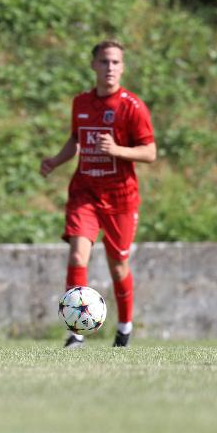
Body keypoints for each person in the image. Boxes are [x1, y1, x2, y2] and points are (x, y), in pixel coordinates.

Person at [40, 41, 156, 348]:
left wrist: (116, 150)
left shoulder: (132, 106)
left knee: (118, 265)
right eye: (104, 62)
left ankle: (125, 327)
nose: (110, 68)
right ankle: (76, 333)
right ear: (93, 65)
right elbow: (75, 140)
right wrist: (56, 160)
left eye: (116, 62)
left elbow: (150, 152)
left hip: (121, 197)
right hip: (85, 192)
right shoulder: (80, 103)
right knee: (78, 254)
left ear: (123, 67)